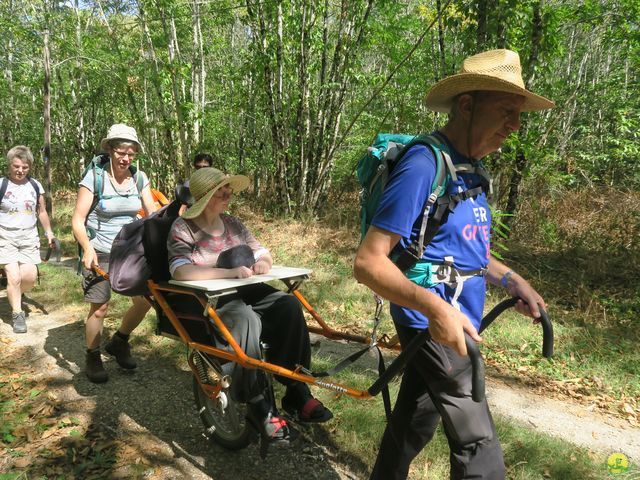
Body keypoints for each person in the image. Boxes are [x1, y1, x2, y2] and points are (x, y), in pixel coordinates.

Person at [353, 49, 555, 479]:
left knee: (415, 419)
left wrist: (511, 280)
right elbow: (369, 263)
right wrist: (436, 309)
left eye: (518, 115)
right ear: (467, 105)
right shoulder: (425, 164)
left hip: (455, 316)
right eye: (506, 111)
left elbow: (466, 250)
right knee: (478, 444)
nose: (514, 126)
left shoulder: (472, 170)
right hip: (432, 319)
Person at [167, 167, 333, 445]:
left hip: (247, 288)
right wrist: (229, 273)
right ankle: (259, 404)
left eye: (228, 189)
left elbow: (261, 251)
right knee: (246, 320)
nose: (228, 194)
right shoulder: (183, 227)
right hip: (210, 298)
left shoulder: (232, 223)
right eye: (221, 191)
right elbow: (180, 272)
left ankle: (296, 389)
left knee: (288, 306)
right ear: (205, 196)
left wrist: (262, 264)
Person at [72, 124, 158, 383]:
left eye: (131, 153)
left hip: (130, 250)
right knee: (100, 307)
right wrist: (87, 248)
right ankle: (93, 355)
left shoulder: (139, 179)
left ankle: (120, 341)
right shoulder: (94, 179)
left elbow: (152, 216)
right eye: (121, 151)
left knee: (144, 302)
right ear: (110, 149)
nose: (126, 158)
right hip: (99, 250)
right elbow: (77, 220)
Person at [0, 146, 56, 333]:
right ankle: (17, 314)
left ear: (29, 167)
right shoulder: (1, 185)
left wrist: (49, 232)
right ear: (10, 165)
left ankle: (16, 293)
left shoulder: (35, 185)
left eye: (24, 167)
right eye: (16, 166)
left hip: (29, 237)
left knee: (29, 278)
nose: (20, 170)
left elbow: (41, 212)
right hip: (5, 237)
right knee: (14, 277)